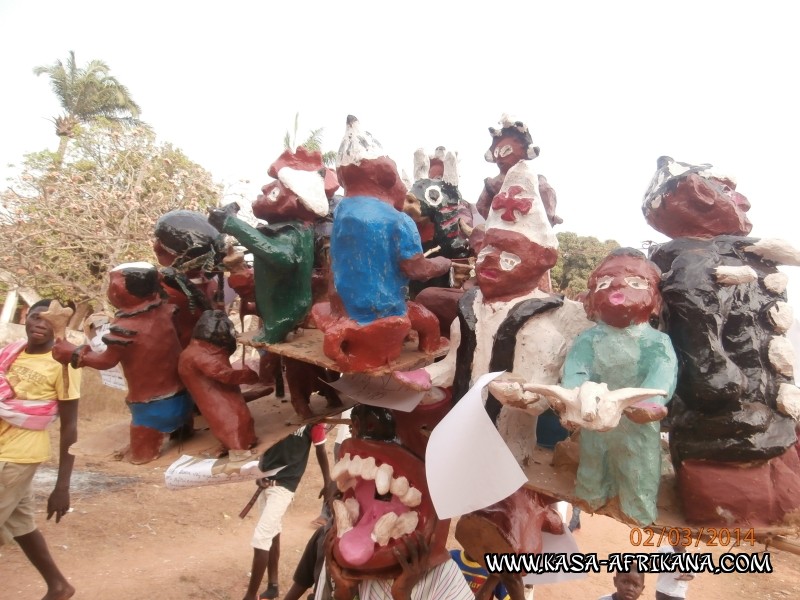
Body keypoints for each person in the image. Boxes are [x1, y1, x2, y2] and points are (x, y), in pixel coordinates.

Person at [0, 299, 81, 600]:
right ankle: (59, 586)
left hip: (18, 456)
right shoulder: (11, 353)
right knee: (20, 525)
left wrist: (63, 486)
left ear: (60, 326)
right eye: (36, 316)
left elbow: (70, 427)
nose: (40, 323)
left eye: (49, 320)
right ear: (26, 316)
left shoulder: (64, 362)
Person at [242, 423, 331, 600]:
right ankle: (273, 586)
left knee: (261, 538)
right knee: (272, 532)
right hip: (265, 481)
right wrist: (260, 471)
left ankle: (250, 596)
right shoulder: (278, 414)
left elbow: (320, 450)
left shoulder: (313, 419)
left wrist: (327, 482)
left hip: (284, 487)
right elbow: (265, 444)